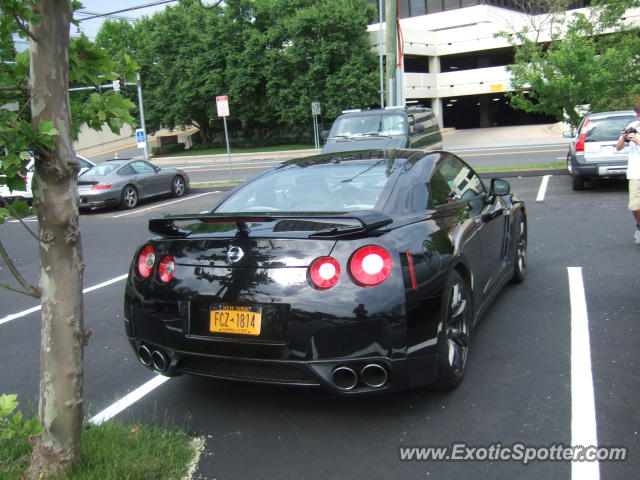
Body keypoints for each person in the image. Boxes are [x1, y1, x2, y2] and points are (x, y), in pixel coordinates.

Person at [615, 101, 640, 245]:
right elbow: (618, 147)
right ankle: (639, 226)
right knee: (634, 205)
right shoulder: (633, 126)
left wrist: (637, 140)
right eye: (636, 114)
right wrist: (624, 138)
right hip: (635, 173)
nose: (638, 117)